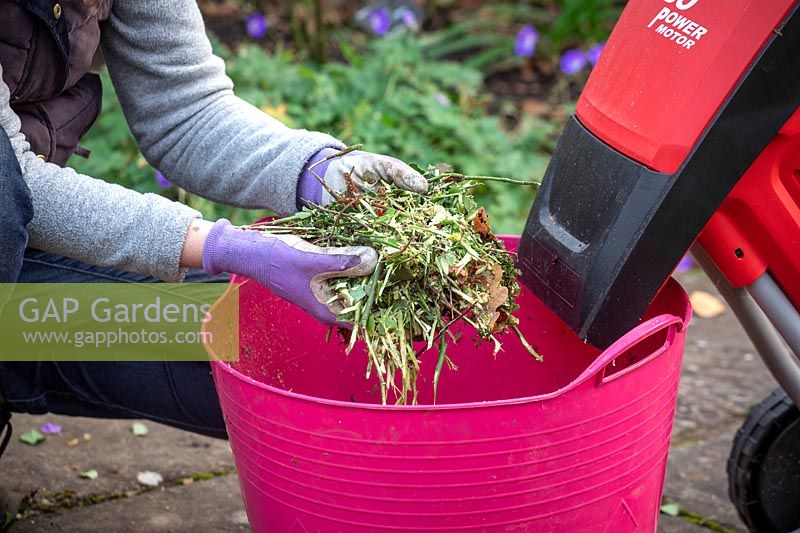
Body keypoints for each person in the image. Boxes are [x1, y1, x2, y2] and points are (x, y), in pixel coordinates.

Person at [0, 0, 427, 449]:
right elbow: (11, 182)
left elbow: (185, 109)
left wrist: (315, 171)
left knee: (274, 358)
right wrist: (223, 247)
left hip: (25, 250)